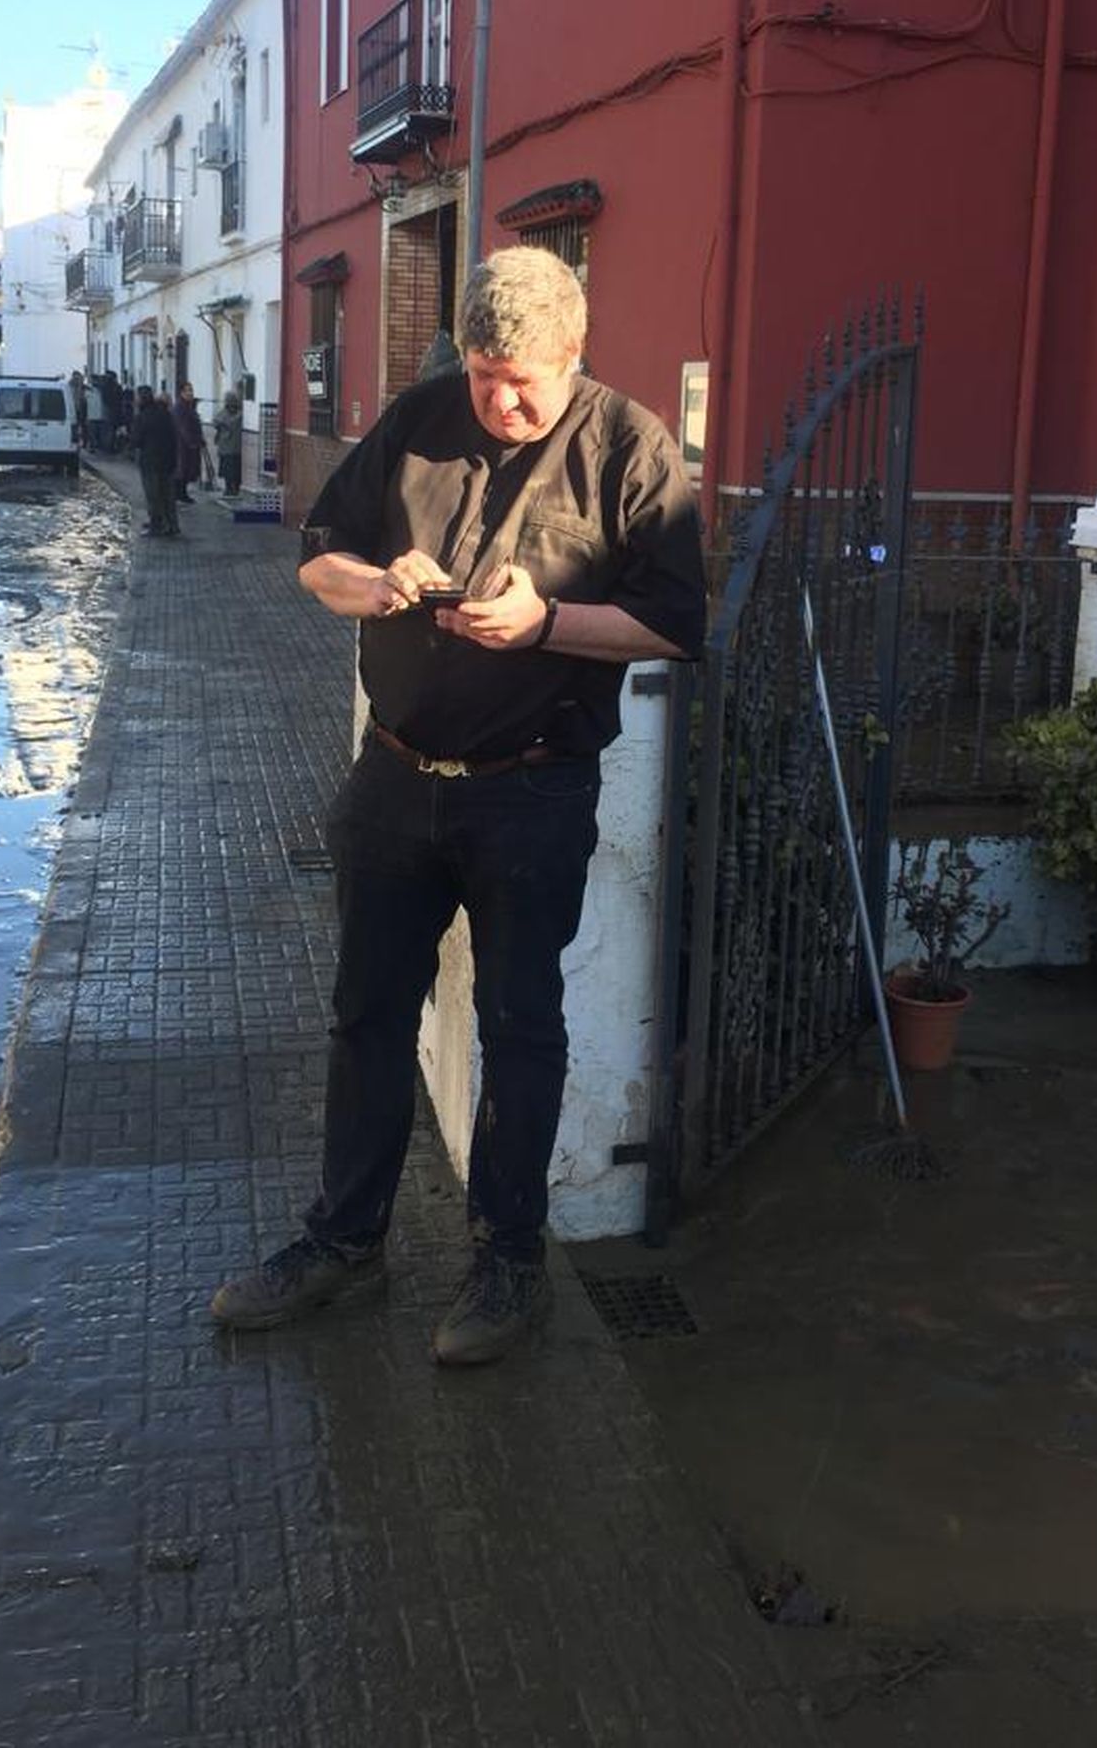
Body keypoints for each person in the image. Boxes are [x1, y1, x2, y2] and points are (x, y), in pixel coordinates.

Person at [211, 247, 706, 1365]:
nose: (499, 400)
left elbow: (675, 624)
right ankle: (343, 1245)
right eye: (485, 375)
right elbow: (317, 559)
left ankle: (509, 1263)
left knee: (520, 1028)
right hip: (393, 780)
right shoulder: (421, 416)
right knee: (365, 1019)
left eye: (522, 378)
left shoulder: (631, 449)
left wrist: (547, 627)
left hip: (531, 794)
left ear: (574, 354)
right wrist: (379, 586)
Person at [128, 382, 179, 535]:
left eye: (137, 397)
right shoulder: (165, 413)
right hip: (167, 461)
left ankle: (156, 525)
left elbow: (136, 440)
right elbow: (173, 436)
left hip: (150, 462)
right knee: (168, 495)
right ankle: (172, 524)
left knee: (153, 495)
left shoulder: (142, 417)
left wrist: (128, 438)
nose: (135, 400)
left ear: (141, 399)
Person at [174, 380, 204, 502]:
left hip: (188, 443)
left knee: (187, 470)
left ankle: (182, 493)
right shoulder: (180, 407)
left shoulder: (187, 406)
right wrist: (191, 441)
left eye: (191, 390)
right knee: (183, 469)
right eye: (188, 390)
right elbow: (183, 426)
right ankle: (179, 494)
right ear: (181, 393)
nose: (190, 393)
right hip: (182, 444)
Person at [212, 389, 244, 497]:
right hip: (224, 448)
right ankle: (228, 488)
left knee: (234, 471)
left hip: (234, 449)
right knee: (226, 471)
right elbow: (215, 420)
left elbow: (232, 423)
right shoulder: (224, 412)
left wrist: (223, 423)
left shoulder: (239, 414)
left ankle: (234, 488)